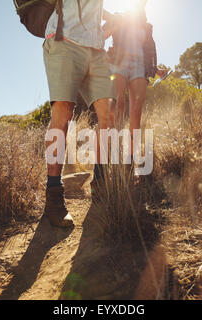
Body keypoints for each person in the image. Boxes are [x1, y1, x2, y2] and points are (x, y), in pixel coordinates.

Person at [43, 0, 116, 228]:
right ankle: (54, 197)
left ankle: (101, 183)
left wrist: (105, 30)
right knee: (63, 113)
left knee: (108, 114)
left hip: (96, 51)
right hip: (63, 41)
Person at [104, 1, 167, 161]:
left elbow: (149, 51)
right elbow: (100, 34)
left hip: (140, 65)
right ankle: (113, 148)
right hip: (119, 62)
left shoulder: (147, 26)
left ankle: (130, 157)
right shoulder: (118, 17)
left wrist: (156, 70)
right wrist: (102, 55)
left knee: (136, 111)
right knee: (117, 104)